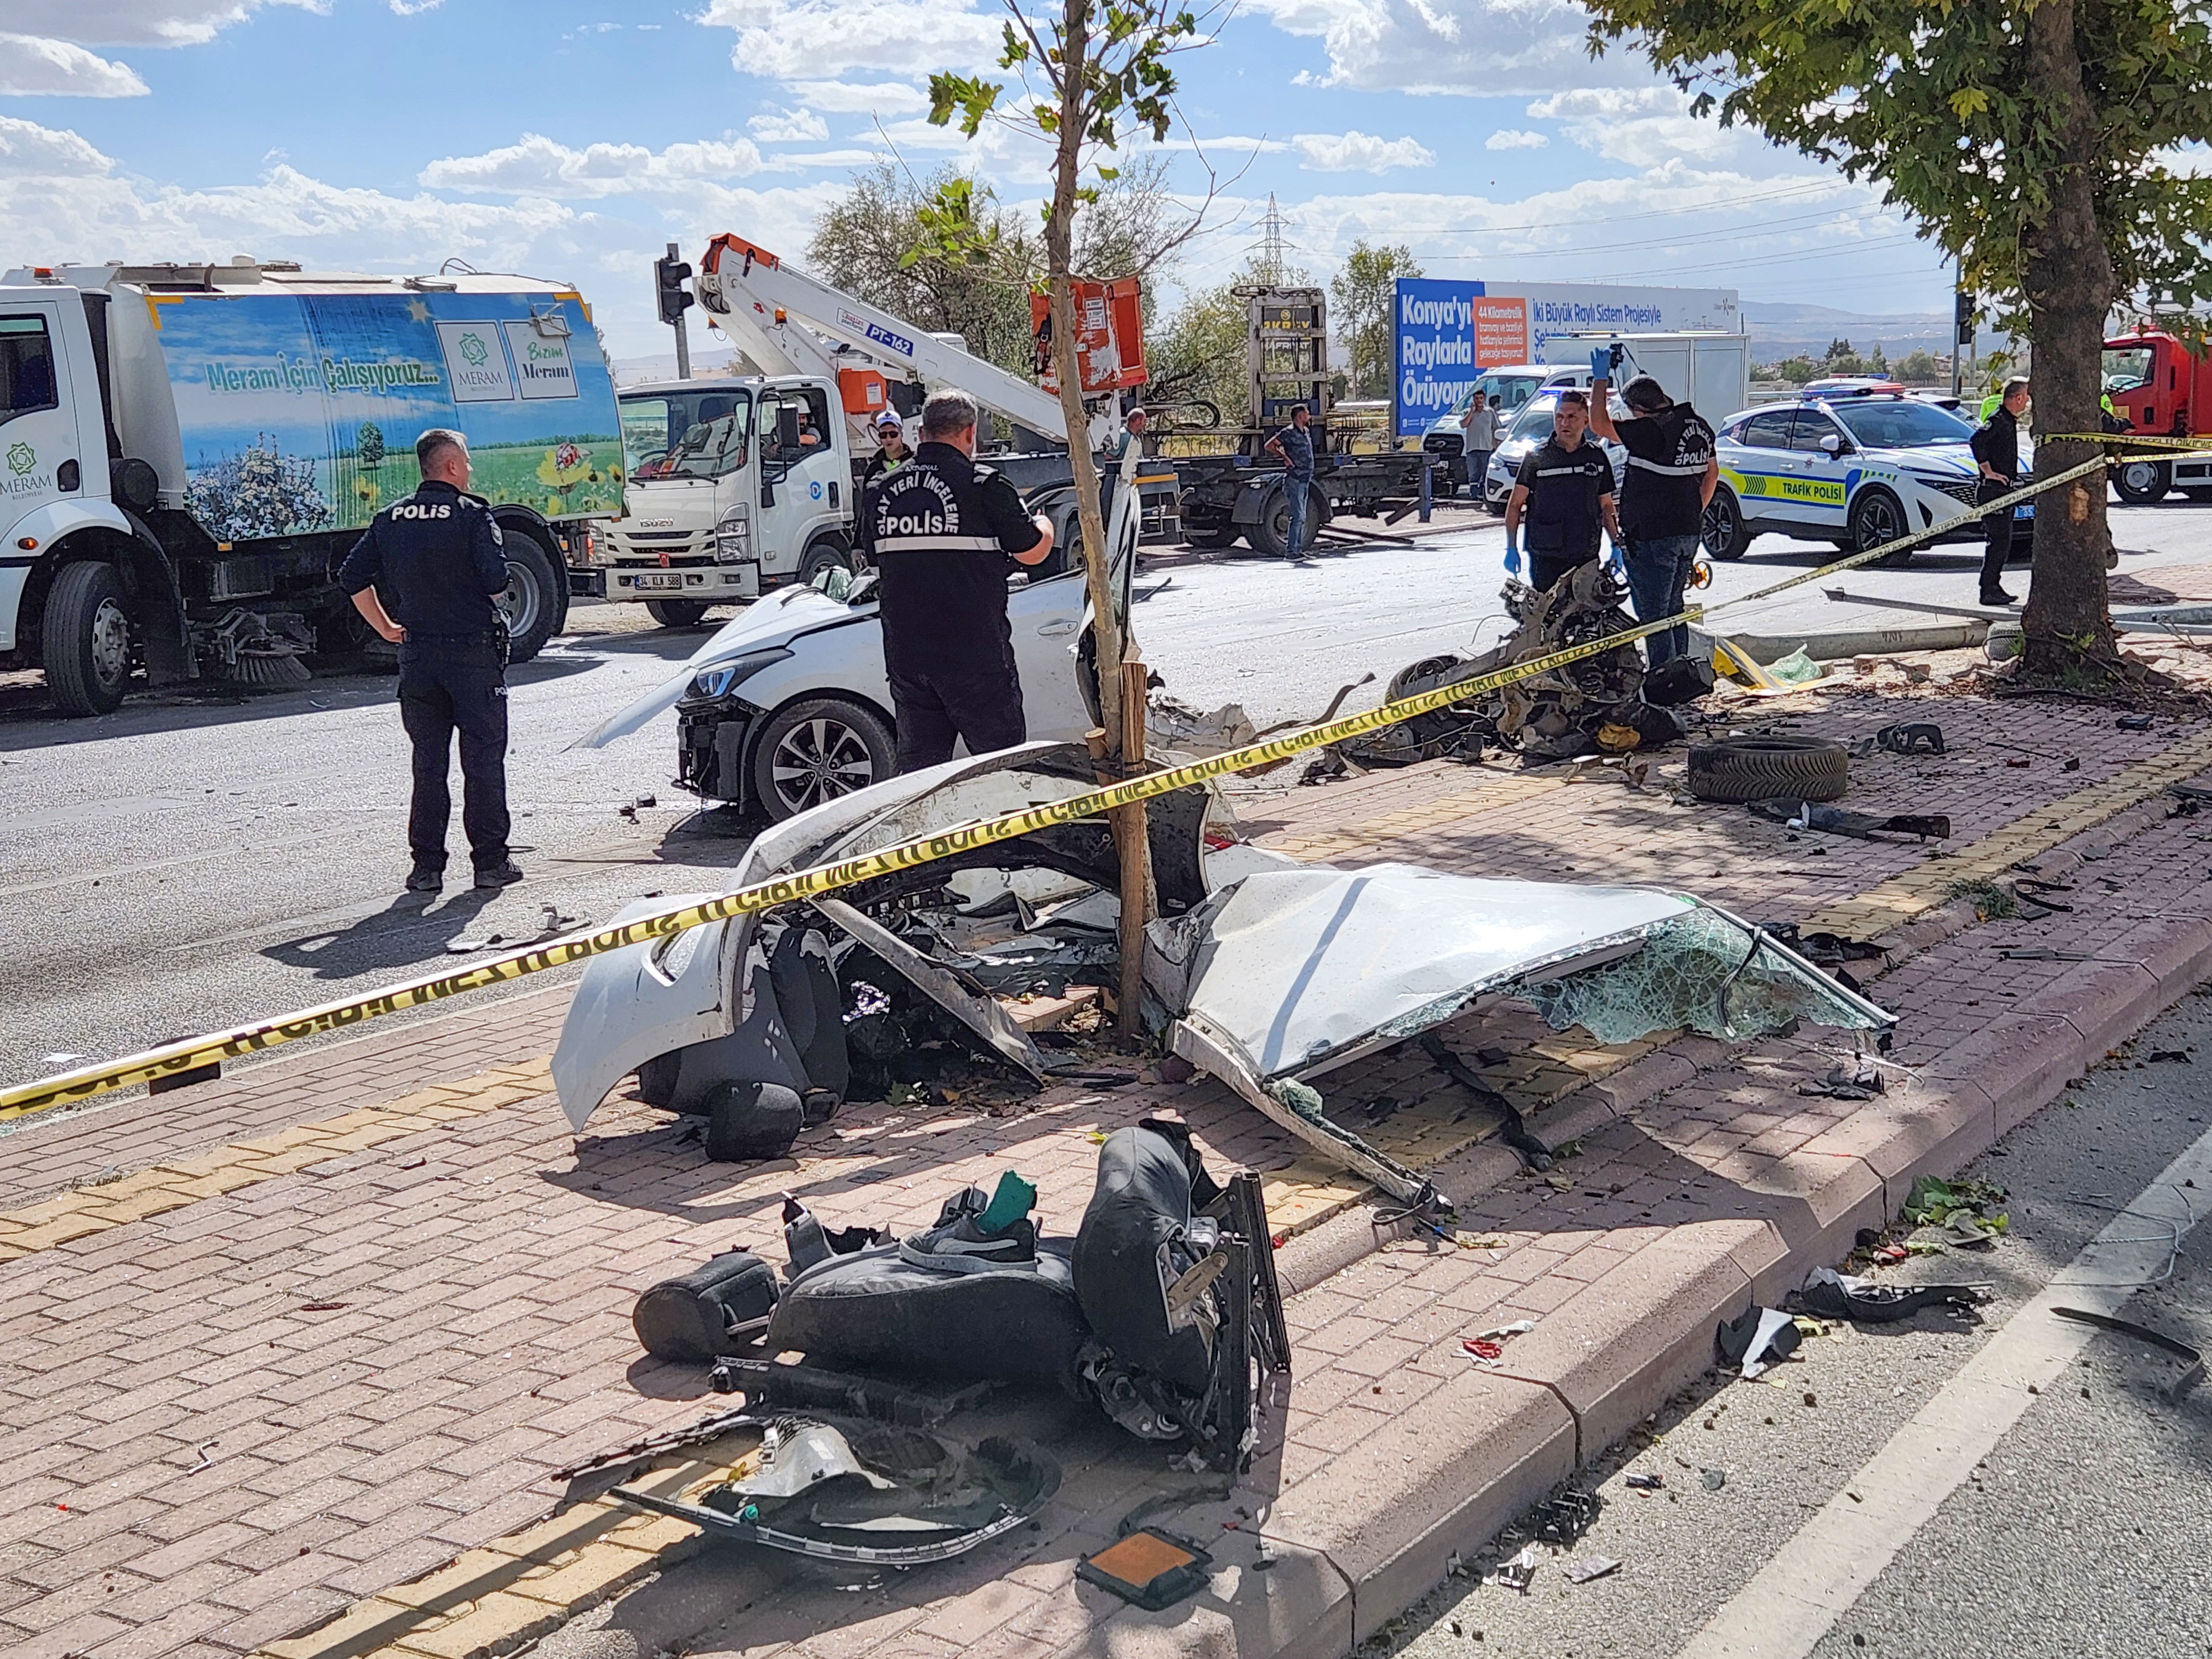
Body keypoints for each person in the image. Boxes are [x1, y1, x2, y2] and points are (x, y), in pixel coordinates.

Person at [338, 429, 522, 894]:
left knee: (428, 764)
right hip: (471, 655)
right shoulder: (472, 515)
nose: (471, 470)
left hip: (418, 657)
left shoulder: (391, 518)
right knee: (482, 762)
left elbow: (351, 575)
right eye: (467, 461)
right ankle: (490, 863)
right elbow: (497, 578)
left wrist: (384, 626)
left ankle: (426, 869)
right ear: (453, 466)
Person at [862, 388, 1056, 774]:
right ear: (970, 433)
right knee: (1000, 770)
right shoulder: (984, 484)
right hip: (975, 658)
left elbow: (874, 559)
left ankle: (926, 836)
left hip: (908, 658)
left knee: (919, 778)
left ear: (921, 434)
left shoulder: (879, 491)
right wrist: (1044, 523)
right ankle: (1002, 836)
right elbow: (1032, 551)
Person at [1589, 361, 1718, 666]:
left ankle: (1667, 681)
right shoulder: (1697, 425)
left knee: (1655, 616)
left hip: (1653, 536)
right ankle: (1684, 673)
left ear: (1639, 409)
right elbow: (1712, 475)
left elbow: (1598, 425)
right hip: (1688, 532)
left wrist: (1599, 380)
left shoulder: (1651, 430)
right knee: (1674, 608)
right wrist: (1693, 511)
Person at [1503, 390, 1620, 592]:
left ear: (1586, 421)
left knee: (1588, 613)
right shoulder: (1536, 459)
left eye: (1572, 417)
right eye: (1560, 417)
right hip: (1547, 554)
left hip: (1586, 552)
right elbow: (1515, 506)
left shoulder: (1597, 458)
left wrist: (1616, 544)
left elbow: (1607, 505)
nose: (1564, 423)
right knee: (1548, 614)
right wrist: (1511, 547)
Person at [1971, 376, 2031, 607]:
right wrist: (1988, 471)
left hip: (2003, 490)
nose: (2027, 403)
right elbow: (1977, 441)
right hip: (1992, 491)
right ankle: (1989, 590)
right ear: (2017, 398)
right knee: (1998, 542)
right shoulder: (1998, 420)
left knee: (2003, 542)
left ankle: (1993, 587)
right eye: (2025, 398)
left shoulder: (2008, 421)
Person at [1263, 403, 1317, 558]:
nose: (1309, 416)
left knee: (1302, 516)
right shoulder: (1288, 433)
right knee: (1298, 516)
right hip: (1295, 479)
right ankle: (1292, 551)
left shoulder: (1306, 432)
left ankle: (1298, 549)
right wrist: (1286, 458)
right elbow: (1270, 445)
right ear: (1300, 416)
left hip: (1306, 478)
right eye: (1307, 413)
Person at [1458, 388, 1500, 502]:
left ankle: (1483, 494)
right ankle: (1474, 494)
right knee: (1473, 473)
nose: (1479, 401)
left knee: (1485, 471)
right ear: (1474, 400)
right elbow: (1464, 424)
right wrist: (1472, 411)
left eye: (1481, 398)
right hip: (1473, 448)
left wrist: (1497, 444)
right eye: (1477, 399)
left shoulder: (1490, 412)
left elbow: (1496, 428)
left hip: (1487, 447)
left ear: (1484, 399)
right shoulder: (1468, 412)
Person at [860, 409, 911, 495]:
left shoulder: (914, 462)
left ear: (901, 434)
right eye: (883, 435)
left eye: (893, 434)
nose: (889, 439)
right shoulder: (873, 468)